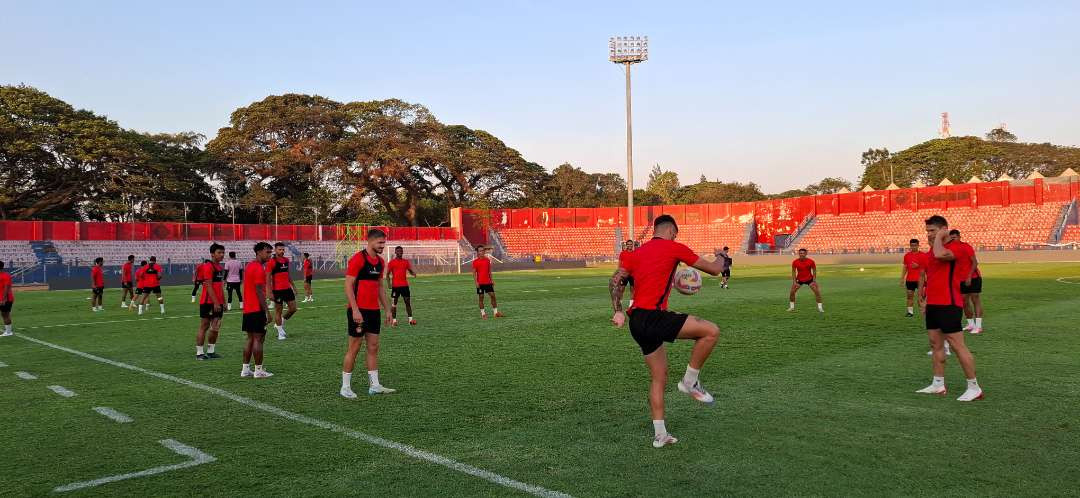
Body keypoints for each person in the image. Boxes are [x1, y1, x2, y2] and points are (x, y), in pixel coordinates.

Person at [610, 215, 725, 448]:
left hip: (636, 322)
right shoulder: (674, 247)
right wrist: (722, 254)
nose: (675, 236)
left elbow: (616, 281)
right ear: (672, 230)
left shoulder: (634, 253)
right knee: (711, 331)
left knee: (659, 377)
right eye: (676, 233)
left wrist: (618, 311)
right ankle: (690, 382)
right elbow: (714, 269)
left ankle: (660, 435)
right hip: (653, 317)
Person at [917, 215, 983, 401]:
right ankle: (938, 384)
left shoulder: (956, 248)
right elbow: (933, 277)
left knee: (957, 345)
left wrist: (939, 238)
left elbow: (940, 255)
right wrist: (925, 301)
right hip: (934, 305)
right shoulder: (931, 251)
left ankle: (974, 387)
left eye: (933, 231)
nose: (929, 235)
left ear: (944, 229)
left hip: (949, 304)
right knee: (936, 344)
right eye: (928, 231)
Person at [340, 229, 395, 399]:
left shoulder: (380, 262)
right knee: (354, 348)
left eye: (383, 243)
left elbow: (380, 287)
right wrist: (355, 309)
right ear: (370, 241)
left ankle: (375, 385)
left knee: (373, 347)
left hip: (373, 311)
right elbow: (348, 285)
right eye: (380, 243)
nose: (382, 246)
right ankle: (345, 387)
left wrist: (387, 310)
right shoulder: (358, 259)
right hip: (358, 311)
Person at [241, 242, 274, 379]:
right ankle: (259, 370)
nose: (269, 255)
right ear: (259, 252)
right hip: (256, 309)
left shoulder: (249, 266)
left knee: (250, 338)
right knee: (258, 339)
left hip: (248, 309)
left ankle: (245, 369)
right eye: (267, 252)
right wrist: (266, 311)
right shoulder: (259, 268)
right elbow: (259, 292)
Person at [195, 243, 226, 361]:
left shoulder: (219, 267)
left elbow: (219, 286)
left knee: (216, 326)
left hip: (217, 302)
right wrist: (216, 303)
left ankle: (211, 351)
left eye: (223, 253)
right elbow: (208, 285)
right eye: (219, 252)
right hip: (208, 301)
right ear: (212, 254)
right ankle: (199, 353)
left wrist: (223, 302)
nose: (222, 255)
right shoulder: (208, 266)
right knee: (204, 326)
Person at [949, 230, 984, 334]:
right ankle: (970, 324)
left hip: (973, 277)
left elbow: (975, 262)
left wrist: (969, 276)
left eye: (954, 237)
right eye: (951, 238)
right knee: (964, 301)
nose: (953, 239)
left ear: (959, 237)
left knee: (975, 299)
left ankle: (978, 326)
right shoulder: (949, 248)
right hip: (960, 279)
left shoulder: (966, 246)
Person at [265, 242, 297, 340]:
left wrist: (294, 287)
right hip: (277, 290)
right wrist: (269, 292)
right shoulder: (271, 262)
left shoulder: (286, 260)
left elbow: (288, 275)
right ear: (275, 250)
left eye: (283, 249)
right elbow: (267, 278)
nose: (282, 251)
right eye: (280, 249)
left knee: (293, 309)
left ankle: (280, 322)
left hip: (287, 289)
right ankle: (280, 333)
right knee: (278, 311)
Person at [386, 246, 417, 326]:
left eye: (401, 251)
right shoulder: (391, 262)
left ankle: (410, 320)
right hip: (395, 287)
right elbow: (387, 274)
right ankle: (394, 321)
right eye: (398, 251)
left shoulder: (405, 262)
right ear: (395, 252)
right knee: (394, 304)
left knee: (407, 302)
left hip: (404, 286)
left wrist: (412, 273)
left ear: (402, 252)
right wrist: (389, 284)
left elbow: (409, 270)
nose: (400, 252)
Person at [473, 245, 502, 318]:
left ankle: (495, 313)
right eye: (480, 251)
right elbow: (474, 273)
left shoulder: (487, 260)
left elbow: (489, 271)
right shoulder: (475, 262)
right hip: (480, 283)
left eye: (483, 250)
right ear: (477, 252)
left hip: (488, 282)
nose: (482, 252)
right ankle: (483, 314)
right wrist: (476, 282)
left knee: (493, 296)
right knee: (481, 297)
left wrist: (492, 280)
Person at [900, 239, 927, 317]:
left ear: (918, 245)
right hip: (910, 279)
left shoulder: (923, 255)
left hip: (920, 280)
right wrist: (902, 278)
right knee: (909, 295)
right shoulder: (907, 256)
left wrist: (918, 266)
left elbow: (927, 267)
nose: (913, 247)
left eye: (915, 245)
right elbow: (905, 267)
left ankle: (923, 311)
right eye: (912, 245)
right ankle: (910, 312)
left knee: (921, 296)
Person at [618, 240, 636, 307]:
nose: (629, 245)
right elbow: (620, 263)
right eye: (628, 244)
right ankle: (620, 303)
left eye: (631, 244)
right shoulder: (622, 253)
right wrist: (619, 272)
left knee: (632, 290)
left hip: (632, 274)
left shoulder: (635, 253)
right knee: (622, 289)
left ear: (632, 245)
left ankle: (631, 305)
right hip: (624, 274)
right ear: (626, 245)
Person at [0, 262, 13, 337]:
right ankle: (8, 331)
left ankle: (8, 332)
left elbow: (6, 288)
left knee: (5, 314)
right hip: (2, 298)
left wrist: (3, 299)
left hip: (6, 299)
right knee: (4, 314)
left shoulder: (5, 276)